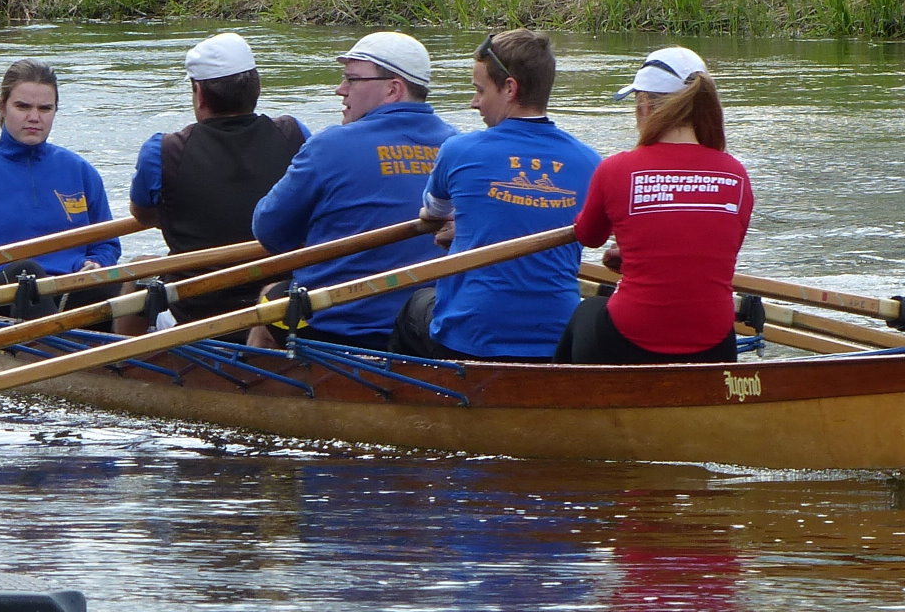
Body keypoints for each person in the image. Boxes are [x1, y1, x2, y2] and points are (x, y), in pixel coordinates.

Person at [390, 29, 599, 362]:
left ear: (510, 89)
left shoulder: (459, 149)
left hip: (469, 339)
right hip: (556, 339)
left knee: (414, 307)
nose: (474, 103)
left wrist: (463, 225)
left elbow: (433, 214)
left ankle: (401, 389)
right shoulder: (591, 161)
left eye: (479, 90)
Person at [250, 31, 457, 349]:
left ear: (393, 89)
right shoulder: (458, 146)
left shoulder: (328, 145)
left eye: (352, 79)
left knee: (271, 298)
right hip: (429, 327)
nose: (340, 89)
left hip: (341, 329)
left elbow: (270, 233)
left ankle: (258, 379)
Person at [556, 47, 753, 365]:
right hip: (715, 342)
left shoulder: (616, 168)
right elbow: (709, 251)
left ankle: (561, 393)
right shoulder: (736, 173)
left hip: (631, 336)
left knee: (587, 309)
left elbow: (588, 235)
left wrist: (634, 251)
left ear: (645, 105)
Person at [119, 32, 309, 331]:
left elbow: (142, 215)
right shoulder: (295, 134)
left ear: (200, 93)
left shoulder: (162, 151)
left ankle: (127, 355)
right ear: (257, 88)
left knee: (139, 269)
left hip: (194, 311)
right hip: (279, 302)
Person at [0, 59, 121, 301]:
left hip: (74, 288)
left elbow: (107, 244)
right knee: (26, 271)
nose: (34, 117)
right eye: (23, 107)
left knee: (144, 278)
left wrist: (97, 262)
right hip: (5, 296)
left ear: (55, 111)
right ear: (2, 107)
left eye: (45, 109)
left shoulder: (82, 172)